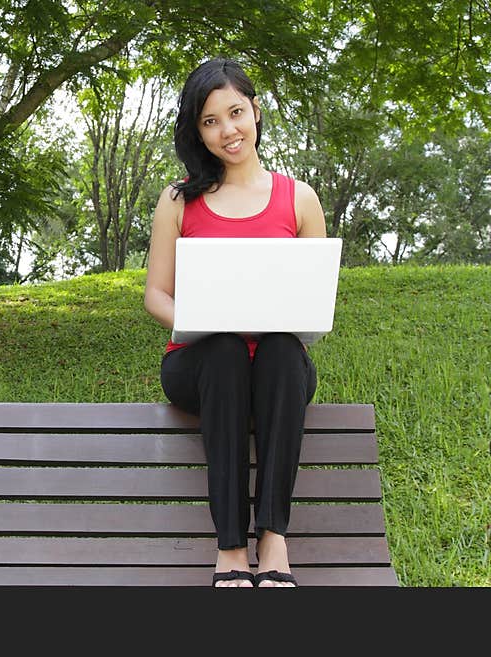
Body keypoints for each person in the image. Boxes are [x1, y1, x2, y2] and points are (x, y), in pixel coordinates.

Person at [143, 58, 327, 587]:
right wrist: (205, 318)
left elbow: (311, 296)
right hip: (200, 362)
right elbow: (156, 295)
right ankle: (230, 551)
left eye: (235, 113)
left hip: (277, 365)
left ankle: (273, 541)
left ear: (255, 111)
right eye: (209, 121)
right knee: (224, 349)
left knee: (282, 350)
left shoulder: (301, 199)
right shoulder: (179, 199)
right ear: (197, 132)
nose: (227, 130)